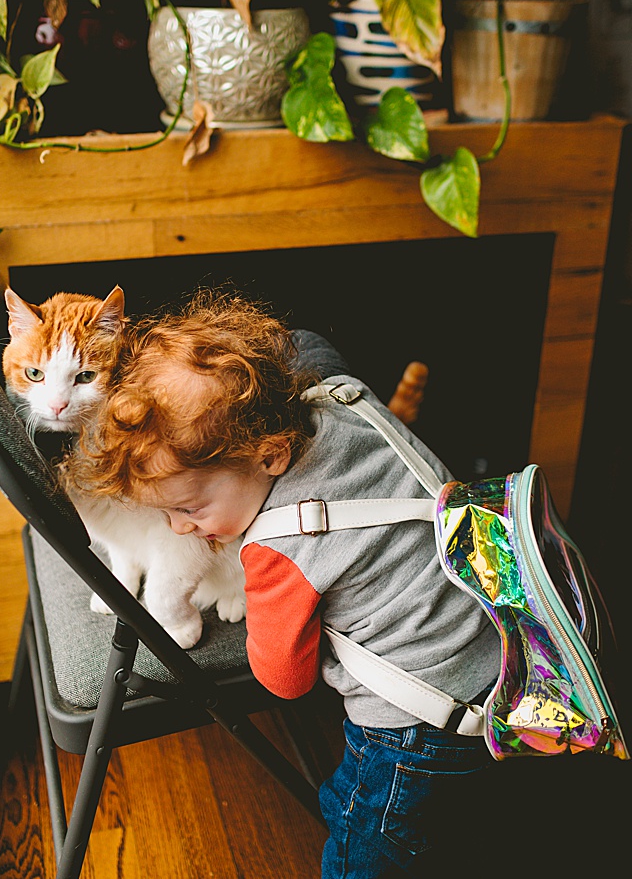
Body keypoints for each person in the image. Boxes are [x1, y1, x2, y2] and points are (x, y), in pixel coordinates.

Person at [67, 291, 500, 879]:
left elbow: (284, 681)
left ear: (269, 455)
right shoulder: (343, 401)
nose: (180, 529)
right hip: (500, 640)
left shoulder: (279, 549)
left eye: (190, 509)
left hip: (420, 724)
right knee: (431, 818)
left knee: (365, 836)